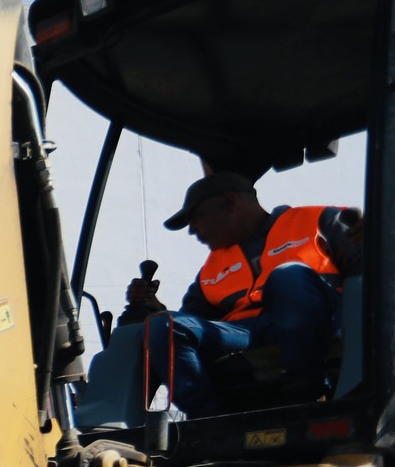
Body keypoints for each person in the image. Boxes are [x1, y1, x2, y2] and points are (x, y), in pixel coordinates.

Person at [119, 172, 362, 414]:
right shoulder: (212, 268)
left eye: (196, 217)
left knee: (289, 276)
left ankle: (308, 390)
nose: (192, 230)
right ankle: (207, 423)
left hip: (320, 327)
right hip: (249, 334)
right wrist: (154, 308)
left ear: (230, 201)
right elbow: (192, 327)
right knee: (163, 325)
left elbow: (372, 267)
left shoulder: (318, 221)